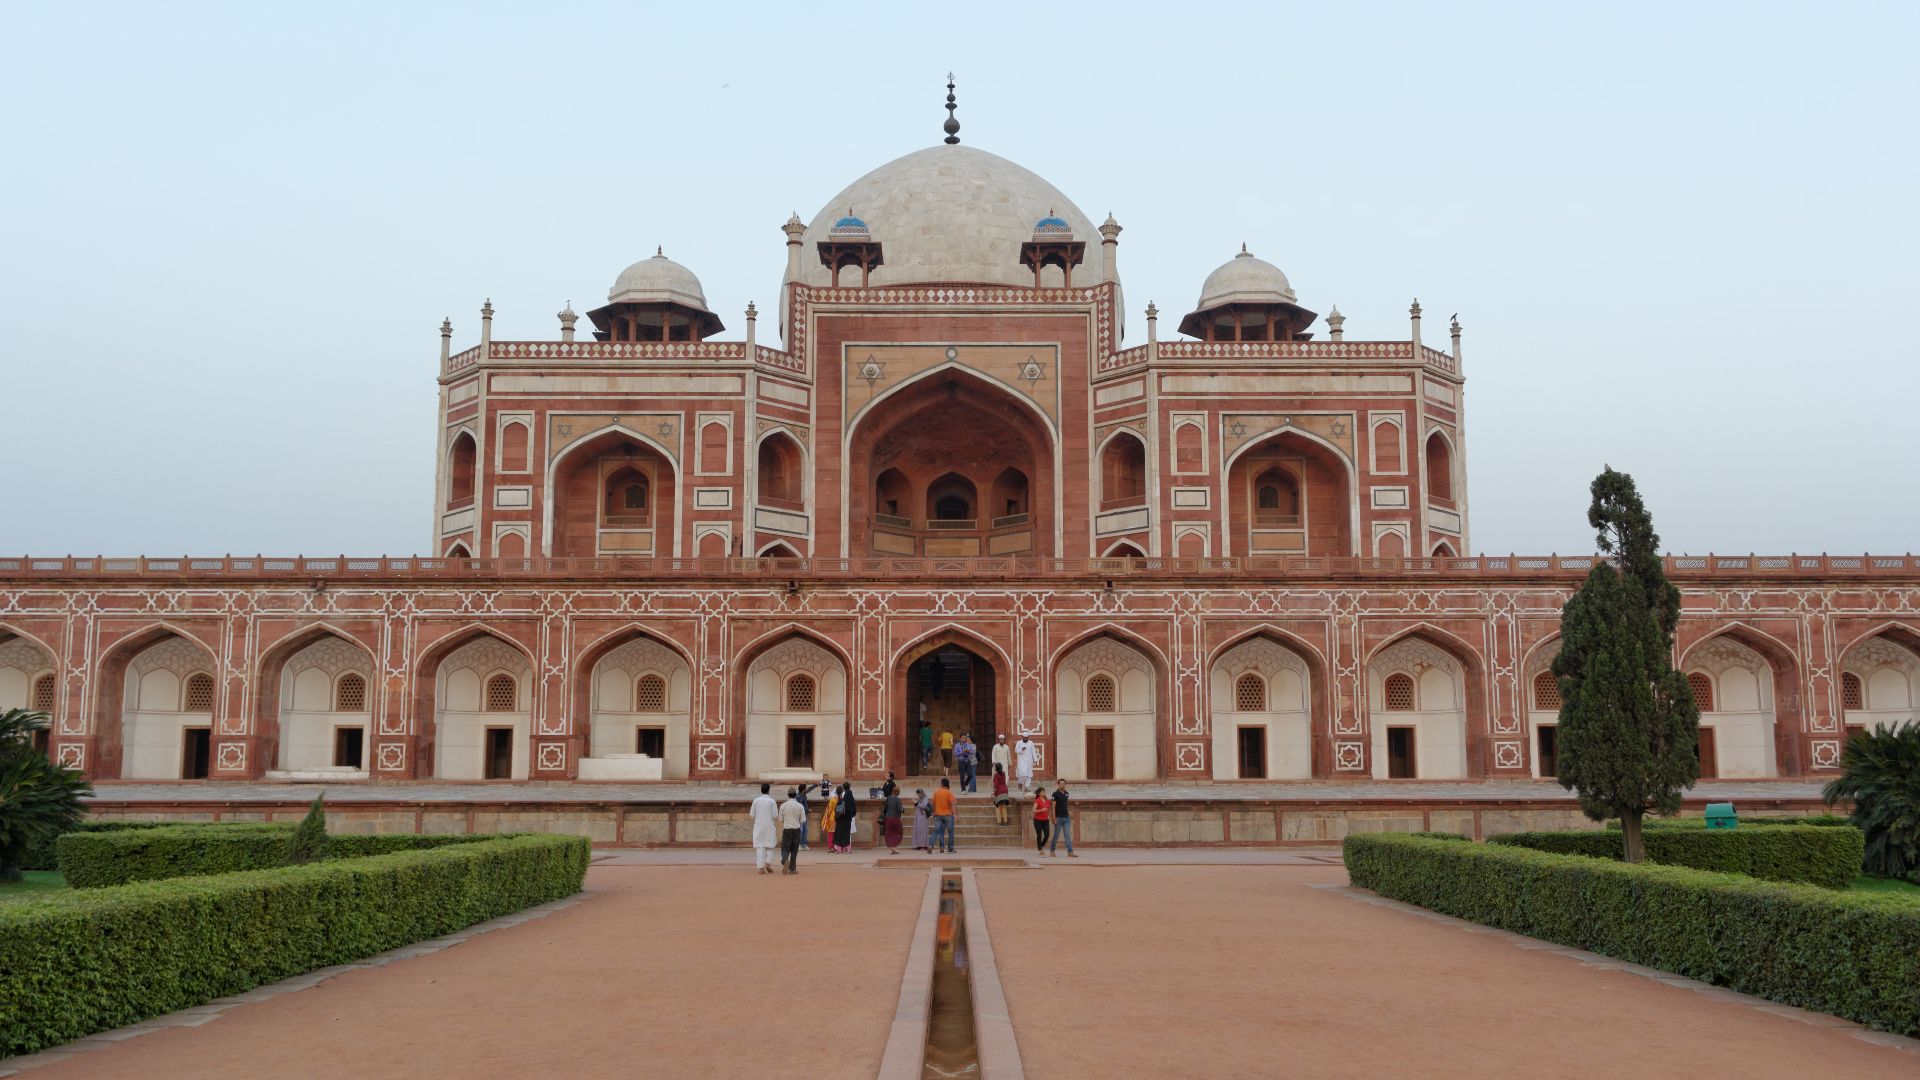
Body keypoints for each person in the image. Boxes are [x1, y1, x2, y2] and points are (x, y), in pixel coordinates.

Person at [749, 782, 779, 874]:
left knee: (760, 847)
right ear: (769, 790)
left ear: (761, 790)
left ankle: (760, 868)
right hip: (769, 826)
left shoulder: (756, 800)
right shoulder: (772, 801)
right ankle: (768, 863)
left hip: (758, 826)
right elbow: (775, 815)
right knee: (770, 846)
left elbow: (751, 815)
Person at [778, 787, 806, 874]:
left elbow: (780, 819)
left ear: (788, 795)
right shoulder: (800, 806)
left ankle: (785, 860)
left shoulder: (783, 805)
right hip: (796, 829)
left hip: (787, 829)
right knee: (794, 850)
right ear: (795, 795)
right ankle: (792, 869)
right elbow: (803, 820)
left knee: (785, 847)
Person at [1049, 779, 1077, 858]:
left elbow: (1065, 805)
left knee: (1067, 835)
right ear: (1058, 785)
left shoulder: (1067, 794)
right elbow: (1053, 806)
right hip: (1058, 818)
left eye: (1064, 784)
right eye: (1061, 784)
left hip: (1066, 818)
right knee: (1056, 835)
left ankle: (1070, 852)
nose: (1062, 785)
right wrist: (1054, 817)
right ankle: (1052, 850)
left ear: (1065, 785)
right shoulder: (1055, 794)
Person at [931, 777, 956, 854]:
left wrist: (933, 812)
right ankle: (950, 848)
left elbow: (933, 804)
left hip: (938, 814)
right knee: (950, 832)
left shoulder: (936, 792)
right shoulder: (949, 793)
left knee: (939, 831)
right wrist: (955, 814)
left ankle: (938, 846)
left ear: (942, 784)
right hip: (948, 815)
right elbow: (953, 804)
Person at [832, 782, 858, 853]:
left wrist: (836, 817)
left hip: (841, 819)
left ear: (843, 788)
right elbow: (854, 808)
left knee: (840, 833)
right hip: (848, 818)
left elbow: (838, 809)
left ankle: (839, 849)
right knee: (847, 833)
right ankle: (848, 849)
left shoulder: (842, 799)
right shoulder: (851, 797)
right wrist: (851, 815)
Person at [881, 786, 904, 853]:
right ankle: (894, 846)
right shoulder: (898, 800)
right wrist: (903, 810)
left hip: (888, 817)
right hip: (895, 818)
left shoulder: (888, 798)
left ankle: (892, 846)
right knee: (899, 832)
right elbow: (899, 810)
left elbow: (885, 808)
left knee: (889, 832)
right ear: (898, 792)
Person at [1032, 787, 1052, 854]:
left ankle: (1042, 845)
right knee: (1039, 834)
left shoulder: (1047, 801)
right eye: (1042, 792)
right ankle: (1040, 849)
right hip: (1037, 820)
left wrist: (1049, 816)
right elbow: (1033, 810)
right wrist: (1041, 810)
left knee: (1047, 835)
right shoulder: (1037, 800)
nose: (1044, 793)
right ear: (1039, 793)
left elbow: (1048, 810)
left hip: (1046, 820)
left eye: (1044, 791)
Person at [821, 784, 839, 851]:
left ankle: (830, 847)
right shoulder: (842, 799)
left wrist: (826, 817)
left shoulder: (833, 800)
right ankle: (836, 847)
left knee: (831, 833)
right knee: (837, 833)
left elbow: (829, 809)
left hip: (832, 818)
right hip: (839, 818)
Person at [794, 781, 811, 850]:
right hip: (800, 815)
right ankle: (798, 844)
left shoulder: (804, 794)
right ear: (803, 790)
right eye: (806, 788)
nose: (807, 789)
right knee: (800, 830)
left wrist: (816, 785)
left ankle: (804, 844)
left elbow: (810, 789)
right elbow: (800, 807)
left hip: (805, 815)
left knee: (805, 830)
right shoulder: (798, 797)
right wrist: (807, 810)